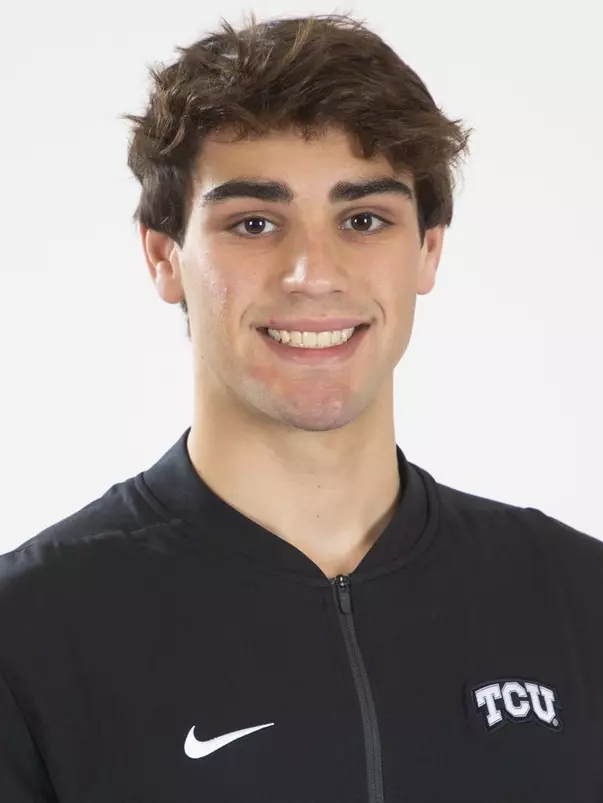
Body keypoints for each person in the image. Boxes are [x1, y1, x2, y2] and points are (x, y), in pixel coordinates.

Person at [0, 11, 601, 803]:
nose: (312, 272)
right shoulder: (29, 638)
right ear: (163, 255)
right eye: (254, 222)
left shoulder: (577, 600)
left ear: (427, 249)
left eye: (363, 220)